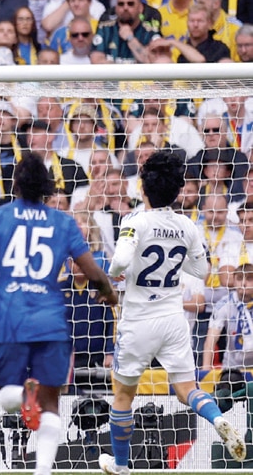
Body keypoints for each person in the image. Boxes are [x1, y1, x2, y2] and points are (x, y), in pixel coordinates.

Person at [0, 151, 115, 475]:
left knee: (8, 396)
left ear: (15, 185)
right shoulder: (63, 222)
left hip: (10, 318)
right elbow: (92, 270)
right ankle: (42, 471)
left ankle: (25, 395)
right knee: (52, 406)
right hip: (51, 320)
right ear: (48, 190)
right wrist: (108, 294)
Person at [98, 151, 247, 475]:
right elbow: (202, 269)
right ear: (177, 191)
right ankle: (218, 418)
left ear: (143, 188)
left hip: (138, 320)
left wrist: (116, 274)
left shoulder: (134, 221)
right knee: (187, 391)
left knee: (123, 393)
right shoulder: (186, 226)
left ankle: (121, 466)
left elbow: (120, 262)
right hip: (174, 319)